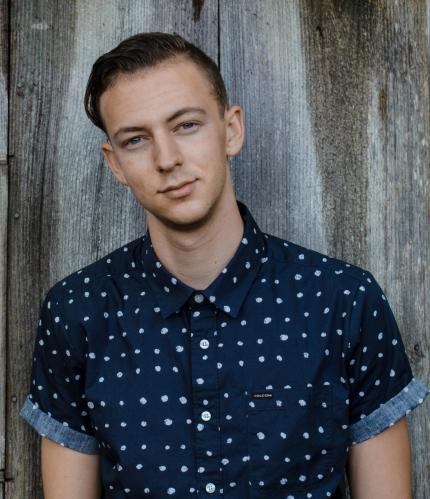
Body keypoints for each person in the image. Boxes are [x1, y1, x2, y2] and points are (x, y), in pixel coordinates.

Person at [19, 32, 429, 499]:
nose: (167, 159)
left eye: (186, 125)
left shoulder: (343, 300)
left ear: (231, 129)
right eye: (136, 139)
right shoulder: (78, 312)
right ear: (115, 163)